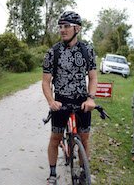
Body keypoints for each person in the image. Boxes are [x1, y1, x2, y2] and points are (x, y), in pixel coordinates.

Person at [42, 11, 97, 184]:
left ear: (77, 28)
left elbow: (93, 77)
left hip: (82, 101)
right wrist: (51, 101)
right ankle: (52, 173)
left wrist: (91, 98)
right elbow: (45, 82)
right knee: (55, 138)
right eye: (60, 26)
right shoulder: (53, 52)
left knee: (85, 138)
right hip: (61, 101)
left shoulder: (87, 50)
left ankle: (82, 171)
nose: (62, 30)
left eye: (66, 26)